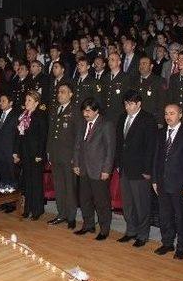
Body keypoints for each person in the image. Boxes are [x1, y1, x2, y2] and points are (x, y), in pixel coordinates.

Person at [152, 104, 183, 260]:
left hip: (180, 183)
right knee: (165, 215)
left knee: (180, 216)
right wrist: (154, 179)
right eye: (166, 113)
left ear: (180, 115)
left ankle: (182, 246)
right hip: (162, 182)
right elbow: (156, 158)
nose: (168, 116)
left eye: (172, 113)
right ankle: (167, 243)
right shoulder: (160, 133)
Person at [115, 90, 157, 248]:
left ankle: (142, 234)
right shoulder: (122, 118)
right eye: (126, 103)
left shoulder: (148, 119)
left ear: (139, 104)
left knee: (141, 204)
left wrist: (148, 169)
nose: (127, 106)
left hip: (140, 170)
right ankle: (131, 231)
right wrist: (118, 164)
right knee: (128, 204)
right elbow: (120, 143)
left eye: (131, 103)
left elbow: (150, 146)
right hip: (125, 168)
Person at [73, 97, 115, 240]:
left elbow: (110, 149)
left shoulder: (106, 124)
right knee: (84, 199)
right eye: (84, 111)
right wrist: (76, 164)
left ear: (96, 111)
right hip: (84, 168)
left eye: (88, 111)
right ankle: (88, 225)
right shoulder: (82, 124)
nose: (85, 114)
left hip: (99, 170)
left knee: (101, 202)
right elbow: (77, 145)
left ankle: (104, 229)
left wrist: (106, 170)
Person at [46, 82, 81, 230]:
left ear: (71, 94)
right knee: (59, 186)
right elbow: (50, 133)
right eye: (59, 92)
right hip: (55, 154)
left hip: (69, 156)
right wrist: (48, 151)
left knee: (70, 188)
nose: (60, 94)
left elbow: (78, 137)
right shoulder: (55, 109)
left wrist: (76, 156)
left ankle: (71, 217)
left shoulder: (75, 111)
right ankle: (61, 214)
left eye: (64, 92)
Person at [14, 90, 48, 220]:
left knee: (36, 182)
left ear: (36, 103)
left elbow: (43, 137)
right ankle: (27, 208)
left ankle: (37, 210)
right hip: (25, 153)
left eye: (29, 100)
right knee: (27, 181)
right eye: (26, 100)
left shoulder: (40, 115)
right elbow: (19, 136)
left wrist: (40, 153)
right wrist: (17, 152)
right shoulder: (24, 116)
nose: (26, 102)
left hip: (36, 154)